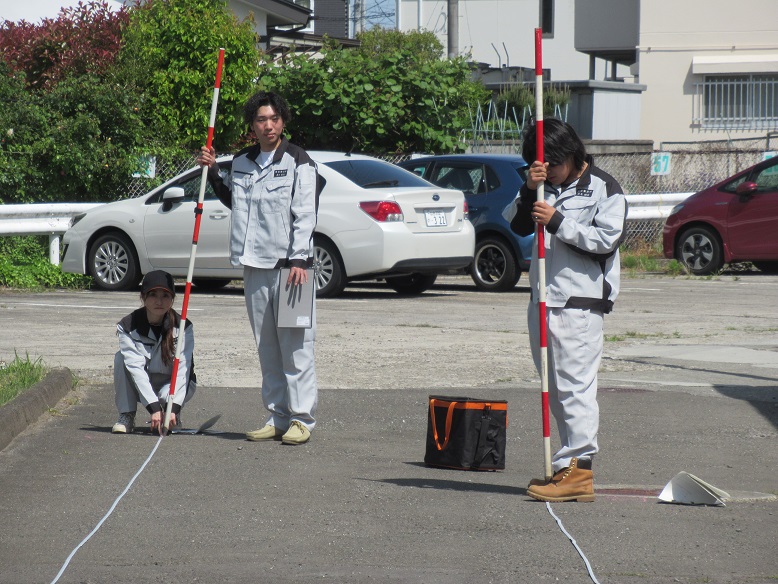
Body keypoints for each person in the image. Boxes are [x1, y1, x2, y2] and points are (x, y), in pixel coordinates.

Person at [509, 118, 627, 502]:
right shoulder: (542, 186)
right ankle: (566, 469)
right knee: (555, 390)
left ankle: (580, 469)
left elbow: (606, 241)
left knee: (575, 389)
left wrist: (559, 222)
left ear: (572, 155)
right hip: (542, 300)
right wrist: (529, 189)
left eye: (553, 164)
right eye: (540, 165)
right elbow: (515, 222)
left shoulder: (604, 187)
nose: (550, 172)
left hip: (578, 304)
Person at [197, 90, 320, 446]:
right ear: (252, 125)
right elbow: (235, 202)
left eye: (274, 119)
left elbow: (306, 214)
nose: (268, 126)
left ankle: (302, 419)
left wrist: (299, 259)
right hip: (254, 266)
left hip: (292, 269)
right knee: (267, 345)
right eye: (261, 120)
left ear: (283, 121)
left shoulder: (299, 160)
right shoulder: (243, 161)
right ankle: (278, 415)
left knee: (296, 345)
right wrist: (215, 172)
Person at [112, 270, 196, 435]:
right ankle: (126, 415)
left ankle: (172, 415)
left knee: (168, 398)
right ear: (143, 297)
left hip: (171, 385)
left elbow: (183, 370)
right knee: (120, 358)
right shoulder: (128, 326)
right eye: (153, 295)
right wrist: (153, 407)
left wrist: (174, 406)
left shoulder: (184, 327)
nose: (159, 301)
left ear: (172, 299)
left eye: (165, 295)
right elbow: (135, 368)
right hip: (143, 382)